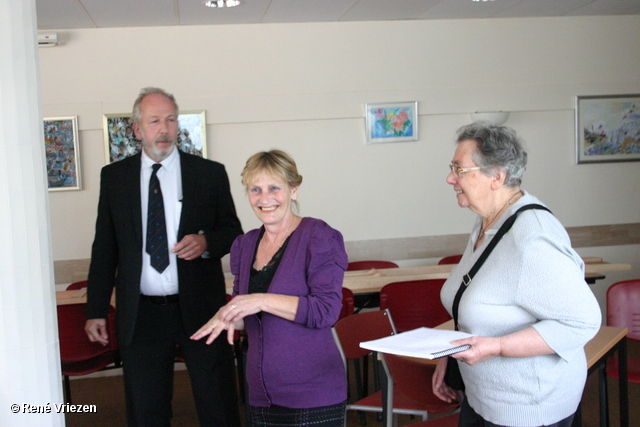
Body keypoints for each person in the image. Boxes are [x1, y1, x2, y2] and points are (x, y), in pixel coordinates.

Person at [85, 87, 243, 426]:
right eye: (154, 121)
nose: (164, 129)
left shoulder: (209, 173)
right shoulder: (114, 178)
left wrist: (205, 242)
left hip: (202, 308)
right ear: (137, 129)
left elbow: (232, 232)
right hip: (141, 314)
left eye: (171, 120)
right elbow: (104, 248)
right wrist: (96, 309)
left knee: (218, 404)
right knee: (146, 410)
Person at [432, 122, 601, 427]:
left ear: (496, 176)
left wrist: (497, 347)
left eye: (459, 169)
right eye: (451, 167)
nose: (449, 178)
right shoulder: (489, 224)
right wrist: (448, 353)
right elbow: (480, 303)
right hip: (483, 397)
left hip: (528, 408)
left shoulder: (531, 237)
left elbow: (582, 322)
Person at [191, 150, 348, 426]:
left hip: (313, 393)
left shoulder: (319, 236)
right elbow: (248, 312)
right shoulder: (244, 244)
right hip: (261, 394)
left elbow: (325, 311)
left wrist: (260, 300)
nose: (264, 199)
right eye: (255, 189)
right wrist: (228, 316)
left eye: (274, 188)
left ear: (294, 190)